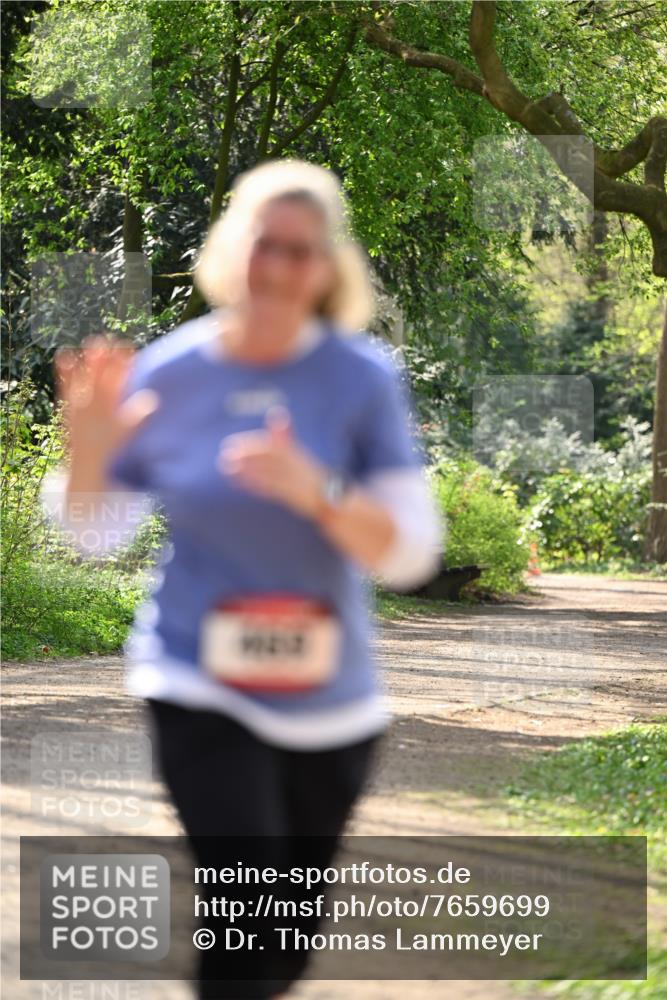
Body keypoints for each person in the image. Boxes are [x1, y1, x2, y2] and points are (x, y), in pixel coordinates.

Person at [49, 158, 443, 998]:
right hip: (197, 675)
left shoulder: (361, 379)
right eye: (265, 244)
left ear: (326, 268)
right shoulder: (173, 371)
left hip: (331, 700)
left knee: (282, 946)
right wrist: (88, 449)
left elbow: (410, 553)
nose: (277, 268)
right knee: (246, 907)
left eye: (300, 253)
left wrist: (319, 493)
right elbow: (94, 531)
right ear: (233, 250)